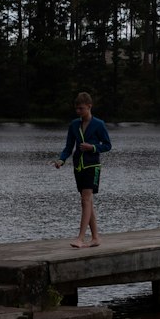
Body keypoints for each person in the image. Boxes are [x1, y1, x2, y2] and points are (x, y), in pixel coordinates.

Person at [53, 91, 112, 247]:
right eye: (76, 109)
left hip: (92, 166)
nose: (78, 111)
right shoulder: (74, 125)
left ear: (89, 106)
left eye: (81, 108)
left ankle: (80, 238)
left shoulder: (99, 124)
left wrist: (92, 147)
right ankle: (96, 238)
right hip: (78, 166)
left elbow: (107, 145)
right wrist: (61, 160)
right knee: (87, 201)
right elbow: (68, 147)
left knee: (85, 200)